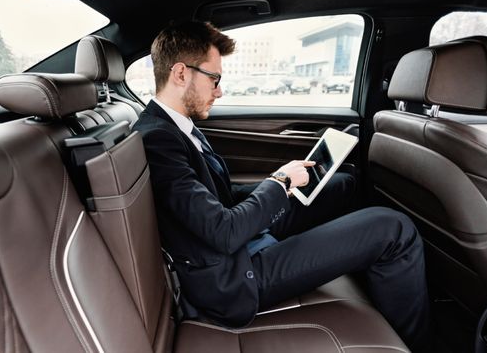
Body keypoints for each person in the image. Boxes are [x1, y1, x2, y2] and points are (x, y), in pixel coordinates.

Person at [132, 20, 430, 351]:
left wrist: (282, 185)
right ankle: (414, 344)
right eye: (214, 79)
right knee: (394, 228)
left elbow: (220, 199)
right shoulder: (158, 139)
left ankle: (363, 266)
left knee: (343, 183)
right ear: (180, 73)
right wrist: (279, 181)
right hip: (233, 277)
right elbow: (222, 231)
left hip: (241, 244)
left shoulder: (176, 128)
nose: (220, 90)